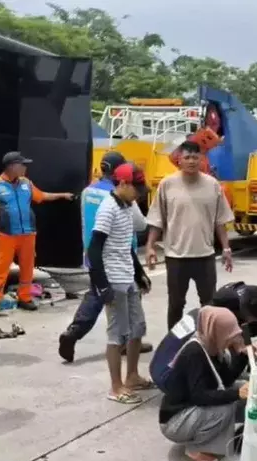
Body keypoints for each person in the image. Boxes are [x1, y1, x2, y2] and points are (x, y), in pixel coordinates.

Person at [58, 155, 153, 362]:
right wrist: (139, 270)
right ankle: (128, 344)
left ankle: (74, 331)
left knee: (96, 296)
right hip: (119, 256)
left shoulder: (88, 191)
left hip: (95, 256)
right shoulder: (122, 198)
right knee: (125, 308)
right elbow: (140, 225)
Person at [146, 140, 235, 330]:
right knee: (176, 304)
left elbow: (220, 221)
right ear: (179, 160)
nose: (192, 161)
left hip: (205, 256)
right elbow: (157, 219)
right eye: (187, 157)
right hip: (176, 257)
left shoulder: (212, 185)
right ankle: (174, 345)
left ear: (202, 159)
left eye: (196, 157)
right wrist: (150, 246)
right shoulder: (167, 185)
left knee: (209, 304)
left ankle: (209, 344)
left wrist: (226, 248)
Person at [88, 164, 153, 404]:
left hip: (127, 276)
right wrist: (101, 285)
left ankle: (132, 375)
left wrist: (139, 273)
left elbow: (127, 245)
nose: (139, 193)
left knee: (137, 328)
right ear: (123, 184)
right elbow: (94, 249)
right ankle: (116, 387)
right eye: (135, 188)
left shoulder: (127, 206)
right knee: (117, 334)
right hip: (114, 280)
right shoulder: (108, 208)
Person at [158, 306, 249, 461]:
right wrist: (236, 394)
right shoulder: (195, 352)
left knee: (242, 387)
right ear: (216, 331)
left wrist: (242, 356)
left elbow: (224, 380)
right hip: (175, 421)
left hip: (191, 409)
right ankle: (195, 448)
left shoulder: (212, 347)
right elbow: (200, 396)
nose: (232, 340)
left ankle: (225, 435)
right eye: (230, 335)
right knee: (227, 406)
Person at [0, 151, 75, 310]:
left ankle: (25, 297)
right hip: (5, 234)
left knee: (28, 268)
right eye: (23, 165)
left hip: (28, 234)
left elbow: (42, 196)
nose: (25, 168)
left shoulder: (26, 183)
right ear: (12, 166)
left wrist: (62, 195)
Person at [209, 281, 257, 345]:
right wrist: (241, 344)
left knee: (255, 329)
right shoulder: (224, 302)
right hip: (223, 317)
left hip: (240, 312)